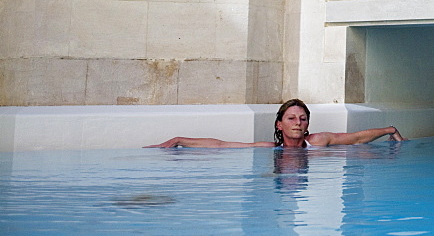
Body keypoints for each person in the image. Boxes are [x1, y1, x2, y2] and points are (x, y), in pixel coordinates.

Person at [146, 98, 406, 148]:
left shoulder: (317, 142)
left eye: (303, 119)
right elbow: (222, 145)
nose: (298, 123)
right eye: (291, 118)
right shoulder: (270, 148)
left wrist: (389, 130)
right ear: (279, 124)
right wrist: (179, 140)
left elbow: (357, 138)